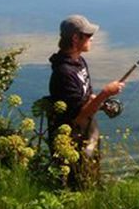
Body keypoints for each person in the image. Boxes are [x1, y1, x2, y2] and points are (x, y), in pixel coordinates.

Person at [48, 14, 124, 185]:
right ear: (76, 38)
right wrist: (106, 93)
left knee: (92, 176)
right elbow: (77, 116)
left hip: (88, 131)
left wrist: (101, 103)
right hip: (73, 137)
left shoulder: (79, 62)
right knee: (78, 181)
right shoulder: (63, 73)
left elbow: (85, 97)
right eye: (88, 35)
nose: (92, 39)